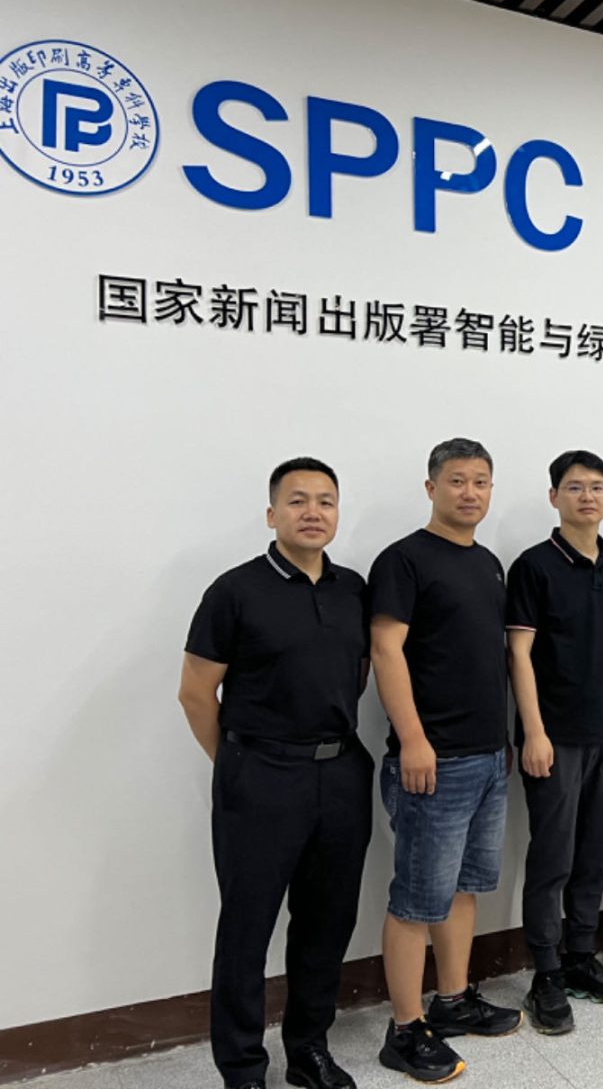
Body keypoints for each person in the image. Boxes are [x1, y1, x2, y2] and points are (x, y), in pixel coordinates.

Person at [179, 458, 373, 1089]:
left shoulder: (353, 589)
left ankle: (308, 1050)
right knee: (247, 926)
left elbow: (355, 676)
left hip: (340, 773)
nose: (313, 512)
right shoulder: (234, 591)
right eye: (297, 501)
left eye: (325, 501)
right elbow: (195, 693)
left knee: (327, 921)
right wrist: (241, 765)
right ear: (272, 514)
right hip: (260, 775)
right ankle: (242, 1069)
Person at [368, 439, 520, 1084]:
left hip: (487, 757)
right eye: (457, 480)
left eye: (481, 481)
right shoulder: (403, 560)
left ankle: (452, 1000)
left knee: (463, 888)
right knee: (415, 901)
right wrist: (412, 739)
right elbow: (385, 649)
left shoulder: (487, 563)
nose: (470, 492)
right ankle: (404, 1030)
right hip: (432, 762)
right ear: (431, 487)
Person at [506, 450, 603, 1035]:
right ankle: (547, 972)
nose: (587, 497)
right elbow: (519, 654)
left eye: (597, 487)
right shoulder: (534, 565)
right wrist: (534, 732)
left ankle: (582, 956)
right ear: (554, 496)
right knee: (552, 858)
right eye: (575, 487)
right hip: (554, 739)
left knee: (594, 854)